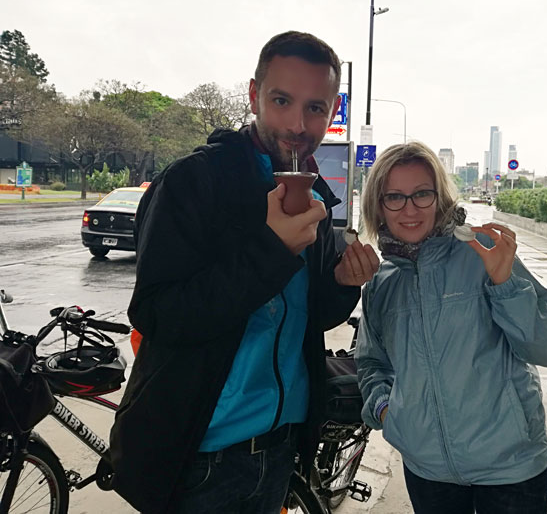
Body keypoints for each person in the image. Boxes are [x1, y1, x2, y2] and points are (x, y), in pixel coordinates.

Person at [107, 31, 380, 513]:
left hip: (279, 449)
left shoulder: (316, 197)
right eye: (281, 100)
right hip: (200, 453)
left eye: (316, 108)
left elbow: (308, 316)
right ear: (254, 95)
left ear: (332, 110)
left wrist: (342, 284)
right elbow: (157, 314)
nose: (298, 124)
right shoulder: (192, 183)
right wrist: (270, 251)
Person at [355, 142, 547, 514]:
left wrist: (506, 284)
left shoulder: (482, 252)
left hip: (510, 468)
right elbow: (371, 364)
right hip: (428, 471)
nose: (409, 209)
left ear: (439, 197)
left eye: (421, 194)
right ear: (378, 205)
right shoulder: (381, 282)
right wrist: (387, 412)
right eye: (394, 197)